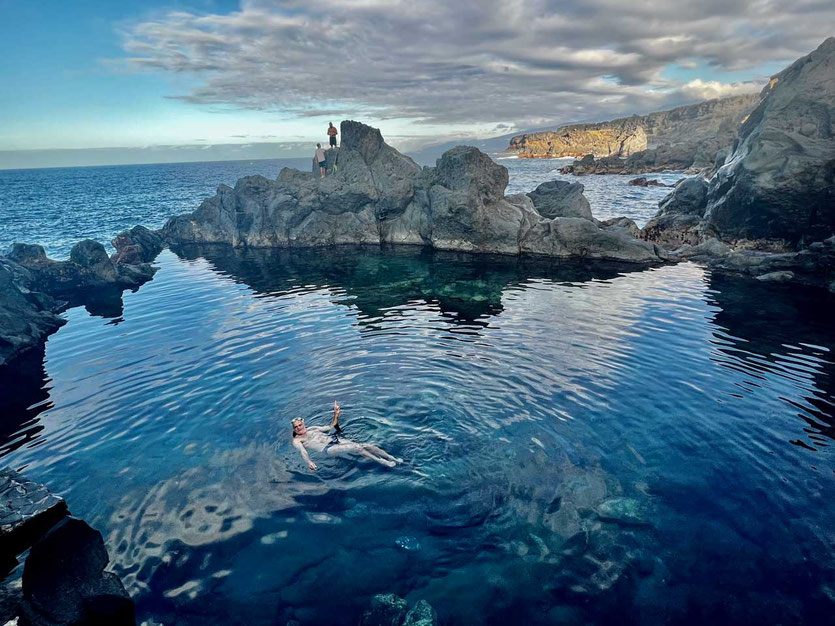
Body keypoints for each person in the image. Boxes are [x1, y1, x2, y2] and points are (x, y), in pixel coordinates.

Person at [291, 402, 401, 470]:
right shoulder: (297, 440)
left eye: (300, 425)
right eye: (296, 427)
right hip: (328, 449)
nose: (299, 428)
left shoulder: (313, 428)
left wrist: (336, 414)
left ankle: (391, 458)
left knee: (370, 446)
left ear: (303, 423)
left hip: (336, 440)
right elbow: (303, 452)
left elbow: (330, 427)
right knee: (358, 448)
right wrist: (309, 462)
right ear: (294, 429)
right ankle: (383, 462)